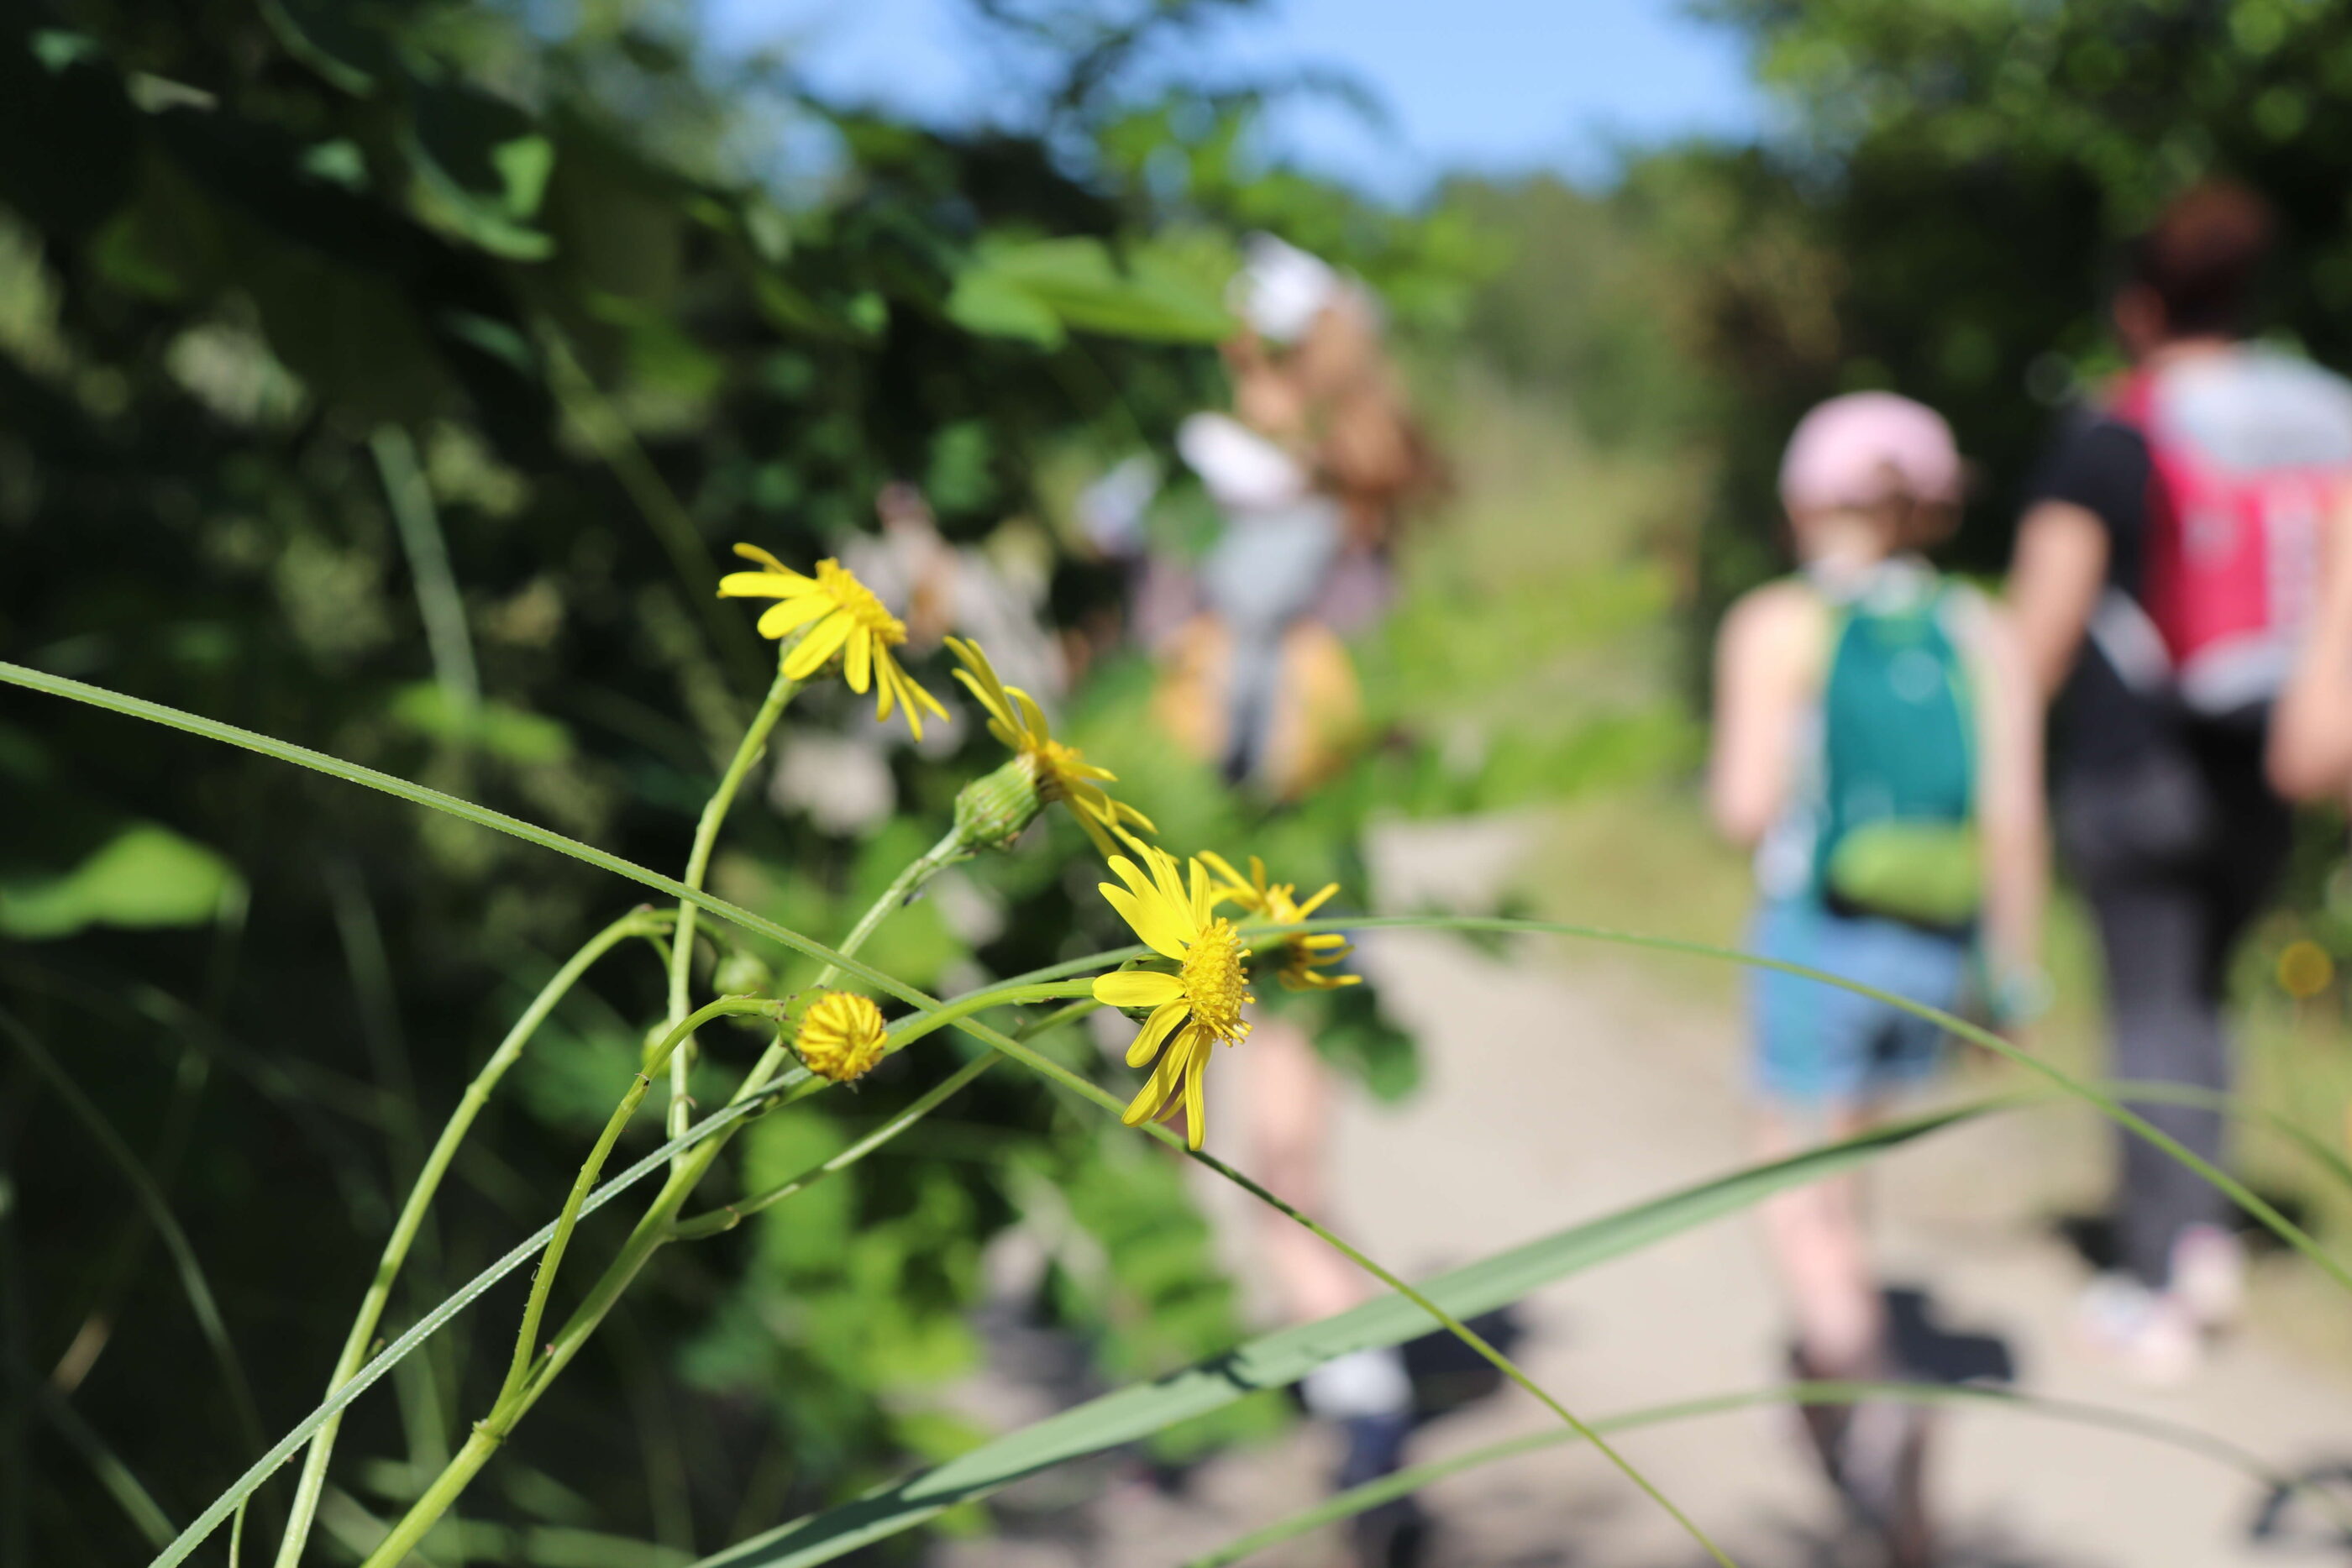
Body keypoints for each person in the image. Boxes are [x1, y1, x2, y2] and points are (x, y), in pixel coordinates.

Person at [2006, 181, 2352, 1379]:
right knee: (2204, 1002)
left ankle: (2162, 1276)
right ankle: (2203, 1233)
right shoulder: (2322, 418)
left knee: (2147, 1012)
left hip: (2134, 764)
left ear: (2141, 307)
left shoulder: (2118, 431)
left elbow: (2039, 632)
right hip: (2266, 762)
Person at [1712, 392, 2046, 1566]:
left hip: (1815, 933)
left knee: (1792, 1196)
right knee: (1847, 1187)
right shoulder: (1979, 626)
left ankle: (1873, 1398)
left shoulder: (1777, 624)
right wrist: (2013, 974)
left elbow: (1744, 806)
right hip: (1935, 949)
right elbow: (2012, 817)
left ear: (1808, 500)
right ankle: (1865, 1429)